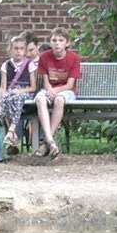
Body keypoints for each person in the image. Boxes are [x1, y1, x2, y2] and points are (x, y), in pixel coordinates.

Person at [33, 28, 82, 160]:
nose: (57, 43)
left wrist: (55, 91)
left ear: (67, 43)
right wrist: (50, 90)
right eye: (54, 40)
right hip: (50, 89)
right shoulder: (44, 57)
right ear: (50, 42)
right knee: (40, 99)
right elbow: (46, 82)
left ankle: (46, 142)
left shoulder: (74, 58)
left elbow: (70, 85)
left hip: (66, 91)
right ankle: (50, 140)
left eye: (61, 40)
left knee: (59, 100)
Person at [0, 32, 37, 155]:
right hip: (11, 93)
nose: (18, 51)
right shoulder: (6, 65)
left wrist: (20, 91)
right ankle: (13, 137)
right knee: (7, 99)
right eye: (16, 48)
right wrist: (0, 99)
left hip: (25, 93)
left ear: (25, 51)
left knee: (17, 98)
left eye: (21, 49)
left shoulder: (30, 65)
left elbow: (33, 87)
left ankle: (11, 130)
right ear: (10, 50)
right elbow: (3, 87)